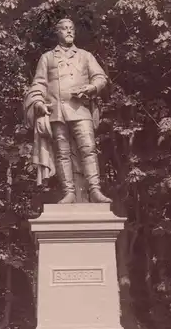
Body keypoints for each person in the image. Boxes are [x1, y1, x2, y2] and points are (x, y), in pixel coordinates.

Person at [24, 18, 112, 204]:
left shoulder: (85, 56)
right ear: (58, 33)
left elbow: (100, 77)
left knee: (89, 148)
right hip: (56, 111)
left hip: (80, 110)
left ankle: (95, 190)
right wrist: (39, 102)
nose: (69, 32)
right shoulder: (47, 57)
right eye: (64, 29)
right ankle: (69, 192)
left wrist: (91, 88)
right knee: (62, 153)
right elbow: (38, 84)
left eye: (71, 29)